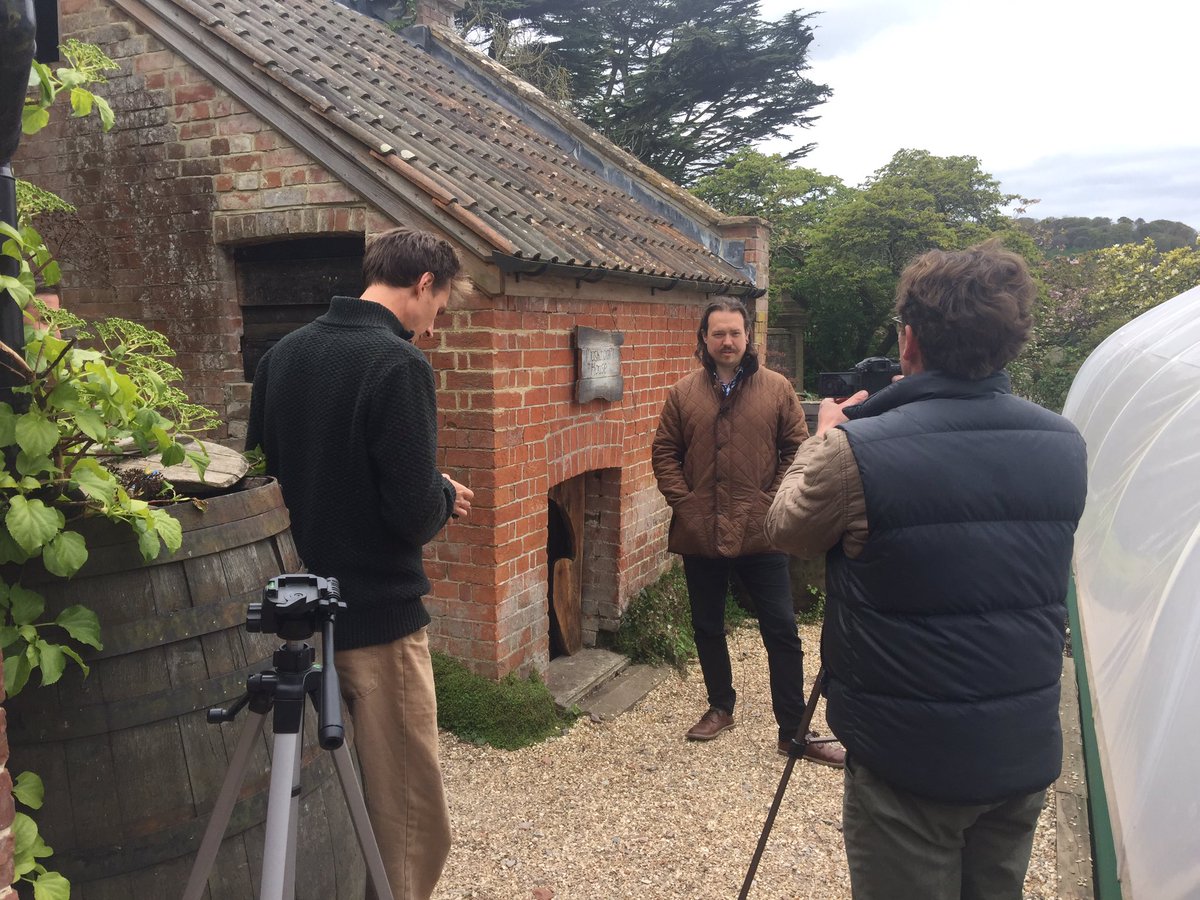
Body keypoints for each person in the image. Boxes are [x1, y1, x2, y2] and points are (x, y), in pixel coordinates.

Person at [765, 240, 1088, 900]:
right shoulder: (1065, 444)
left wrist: (825, 435)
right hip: (1020, 749)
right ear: (1011, 339)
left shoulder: (854, 451)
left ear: (909, 342)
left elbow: (788, 530)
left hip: (908, 759)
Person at [246, 227, 473, 900]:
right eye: (440, 308)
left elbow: (268, 477)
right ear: (424, 284)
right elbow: (409, 510)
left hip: (296, 613)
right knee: (409, 816)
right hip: (377, 621)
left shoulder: (282, 356)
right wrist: (440, 494)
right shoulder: (396, 364)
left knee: (321, 798)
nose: (434, 328)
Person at [651, 298, 845, 767]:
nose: (727, 341)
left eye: (735, 333)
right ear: (704, 339)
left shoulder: (776, 389)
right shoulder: (682, 393)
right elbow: (664, 454)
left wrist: (768, 504)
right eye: (718, 333)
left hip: (762, 533)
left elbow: (797, 452)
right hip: (701, 532)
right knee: (706, 625)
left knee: (781, 630)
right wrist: (688, 505)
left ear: (747, 336)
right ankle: (720, 706)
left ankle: (792, 728)